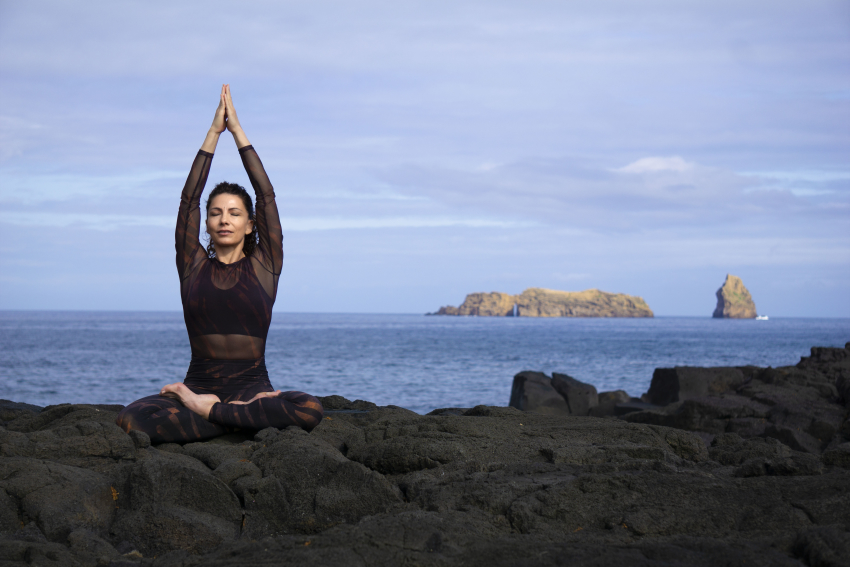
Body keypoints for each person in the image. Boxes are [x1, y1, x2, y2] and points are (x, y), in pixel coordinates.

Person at [116, 85, 323, 443]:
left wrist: (237, 131)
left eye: (234, 213)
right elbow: (188, 200)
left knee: (309, 409)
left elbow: (266, 196)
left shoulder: (266, 265)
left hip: (253, 389)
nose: (224, 219)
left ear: (250, 224)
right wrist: (213, 133)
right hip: (199, 385)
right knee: (132, 420)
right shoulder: (192, 265)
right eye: (216, 213)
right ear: (207, 223)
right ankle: (236, 418)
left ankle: (209, 412)